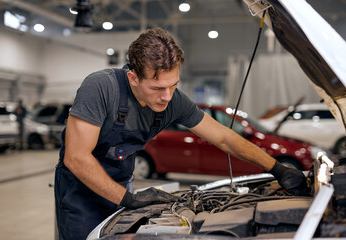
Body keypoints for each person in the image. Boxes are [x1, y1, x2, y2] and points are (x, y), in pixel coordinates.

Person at [54, 27, 308, 240]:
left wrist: (277, 168)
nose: (167, 96)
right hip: (81, 195)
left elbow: (224, 137)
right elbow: (76, 158)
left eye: (173, 85)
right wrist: (127, 198)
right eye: (157, 88)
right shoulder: (101, 88)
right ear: (133, 78)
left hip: (121, 186)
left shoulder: (173, 101)